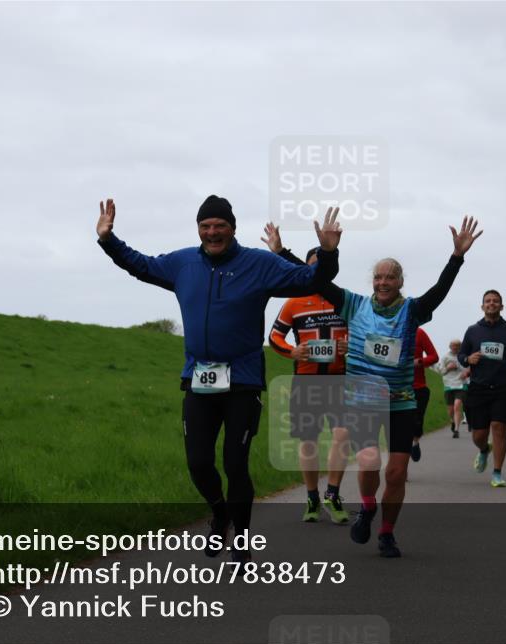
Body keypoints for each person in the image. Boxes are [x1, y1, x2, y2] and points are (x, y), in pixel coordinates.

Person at [96, 197, 342, 563]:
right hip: (198, 379)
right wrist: (107, 240)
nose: (212, 232)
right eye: (206, 226)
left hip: (242, 381)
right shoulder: (183, 263)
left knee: (235, 464)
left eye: (220, 225)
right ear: (199, 229)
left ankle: (241, 544)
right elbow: (141, 266)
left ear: (233, 228)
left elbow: (312, 279)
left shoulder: (259, 264)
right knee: (197, 462)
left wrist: (327, 253)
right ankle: (220, 513)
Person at [272, 216, 482, 557]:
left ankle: (387, 532)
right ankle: (368, 507)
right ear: (372, 281)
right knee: (369, 460)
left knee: (397, 473)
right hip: (362, 400)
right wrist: (304, 251)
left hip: (401, 402)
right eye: (378, 277)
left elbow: (440, 291)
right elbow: (317, 280)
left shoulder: (413, 310)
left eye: (390, 277)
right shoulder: (352, 304)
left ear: (400, 281)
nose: (383, 282)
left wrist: (456, 257)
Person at [266, 242, 352, 524]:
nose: (317, 271)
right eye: (313, 266)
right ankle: (312, 497)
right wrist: (292, 350)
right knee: (308, 442)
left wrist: (350, 345)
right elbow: (274, 337)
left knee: (341, 436)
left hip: (339, 380)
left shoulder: (344, 300)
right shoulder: (293, 301)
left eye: (322, 266)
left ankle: (333, 495)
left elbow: (363, 334)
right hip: (306, 381)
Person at [458, 290, 506, 488]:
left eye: (495, 301)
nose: (491, 303)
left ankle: (497, 473)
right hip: (478, 388)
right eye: (488, 301)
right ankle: (483, 449)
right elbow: (462, 354)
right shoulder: (472, 330)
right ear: (482, 306)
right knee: (478, 434)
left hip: (503, 387)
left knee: (499, 428)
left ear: (501, 306)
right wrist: (467, 359)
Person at [410, 327, 439, 462]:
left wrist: (420, 361)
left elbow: (434, 356)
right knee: (399, 431)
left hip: (418, 388)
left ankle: (415, 441)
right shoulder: (384, 329)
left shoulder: (419, 333)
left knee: (416, 424)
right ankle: (400, 470)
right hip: (394, 388)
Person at [438, 340, 467, 438]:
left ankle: (456, 430)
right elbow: (441, 371)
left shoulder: (463, 357)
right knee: (451, 410)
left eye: (457, 346)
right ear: (450, 346)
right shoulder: (445, 357)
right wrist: (448, 368)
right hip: (449, 385)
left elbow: (469, 367)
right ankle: (452, 421)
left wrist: (466, 373)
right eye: (453, 346)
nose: (455, 348)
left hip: (461, 384)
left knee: (457, 405)